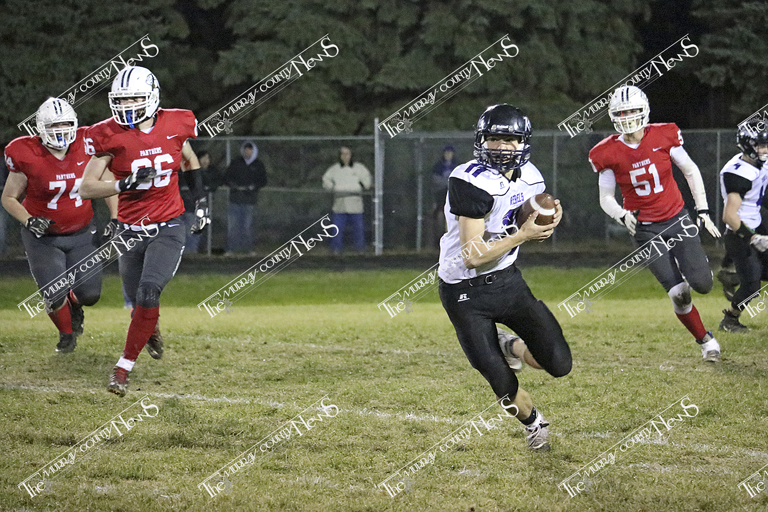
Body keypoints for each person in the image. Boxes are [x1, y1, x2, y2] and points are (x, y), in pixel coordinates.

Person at [438, 104, 571, 451]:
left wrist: (548, 221)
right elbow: (472, 255)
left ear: (523, 142)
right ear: (481, 141)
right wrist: (523, 236)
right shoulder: (469, 180)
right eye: (494, 139)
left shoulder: (532, 177)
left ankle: (509, 344)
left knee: (558, 363)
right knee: (502, 383)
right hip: (464, 292)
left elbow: (529, 221)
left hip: (507, 282)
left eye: (510, 139)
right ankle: (534, 424)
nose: (501, 147)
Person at [80, 66, 209, 396]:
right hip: (129, 231)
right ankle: (150, 327)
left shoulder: (176, 122)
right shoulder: (107, 133)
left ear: (152, 97)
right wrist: (123, 183)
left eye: (134, 98)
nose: (127, 105)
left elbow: (188, 159)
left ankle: (122, 369)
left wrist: (201, 202)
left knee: (149, 292)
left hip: (168, 226)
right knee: (139, 301)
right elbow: (86, 187)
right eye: (121, 100)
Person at [589, 85, 722, 361]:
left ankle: (693, 267)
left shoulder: (663, 134)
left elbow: (690, 170)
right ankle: (706, 341)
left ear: (644, 111)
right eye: (621, 113)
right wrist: (621, 214)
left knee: (702, 284)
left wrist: (703, 210)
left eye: (632, 111)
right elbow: (605, 198)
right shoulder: (606, 151)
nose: (627, 118)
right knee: (679, 294)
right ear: (613, 116)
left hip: (677, 219)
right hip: (644, 229)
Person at [2, 97, 117, 353]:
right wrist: (28, 220)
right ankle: (66, 334)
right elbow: (8, 198)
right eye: (53, 126)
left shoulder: (87, 144)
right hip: (43, 237)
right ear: (41, 128)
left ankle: (73, 305)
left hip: (82, 232)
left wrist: (116, 217)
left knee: (90, 295)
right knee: (54, 293)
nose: (60, 131)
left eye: (65, 124)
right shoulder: (25, 152)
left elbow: (107, 185)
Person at [718, 124, 768, 331]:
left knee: (754, 276)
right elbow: (729, 216)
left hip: (757, 222)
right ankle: (730, 319)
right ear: (748, 146)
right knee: (752, 286)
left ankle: (732, 274)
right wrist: (753, 238)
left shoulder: (759, 163)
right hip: (739, 232)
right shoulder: (738, 173)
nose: (765, 150)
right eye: (761, 145)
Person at [322, 146, 371, 254]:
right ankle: (336, 249)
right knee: (337, 228)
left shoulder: (359, 168)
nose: (345, 156)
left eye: (347, 154)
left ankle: (360, 249)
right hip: (340, 205)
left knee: (358, 228)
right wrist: (333, 188)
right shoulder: (334, 169)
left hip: (355, 204)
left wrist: (360, 187)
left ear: (351, 155)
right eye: (343, 154)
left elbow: (367, 182)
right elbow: (326, 180)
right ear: (340, 156)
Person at [224, 141, 266, 254]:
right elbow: (227, 177)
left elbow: (263, 180)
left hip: (249, 201)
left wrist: (253, 187)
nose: (248, 152)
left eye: (250, 150)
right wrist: (233, 185)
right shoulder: (236, 162)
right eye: (246, 150)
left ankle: (249, 249)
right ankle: (231, 249)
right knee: (233, 226)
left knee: (247, 226)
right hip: (235, 199)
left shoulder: (258, 165)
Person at [432, 145, 457, 248]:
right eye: (446, 153)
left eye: (450, 153)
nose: (448, 155)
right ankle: (439, 239)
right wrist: (447, 183)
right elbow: (435, 179)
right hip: (441, 193)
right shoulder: (438, 166)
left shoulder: (457, 165)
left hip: (454, 194)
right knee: (440, 215)